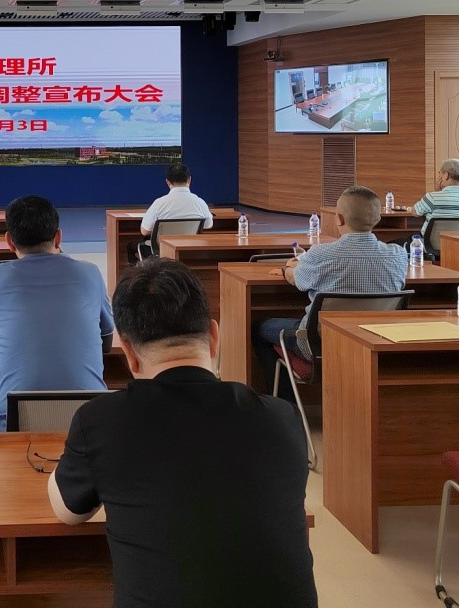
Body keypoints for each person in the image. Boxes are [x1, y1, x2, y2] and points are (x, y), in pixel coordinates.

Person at [49, 258, 317, 608]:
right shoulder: (282, 417)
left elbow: (67, 511)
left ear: (128, 352)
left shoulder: (100, 421)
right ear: (214, 336)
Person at [252, 185, 408, 399]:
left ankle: (286, 405)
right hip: (375, 342)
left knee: (258, 328)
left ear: (339, 219)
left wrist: (287, 268)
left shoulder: (320, 254)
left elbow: (297, 280)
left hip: (319, 345)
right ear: (378, 219)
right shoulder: (398, 255)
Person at [0, 195, 114, 432]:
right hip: (89, 424)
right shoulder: (91, 273)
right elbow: (107, 338)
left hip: (16, 425)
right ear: (58, 237)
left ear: (9, 241)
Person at [135, 161, 213, 259]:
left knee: (132, 246)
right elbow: (208, 225)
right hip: (190, 250)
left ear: (168, 182)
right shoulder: (200, 202)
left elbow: (145, 231)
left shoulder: (160, 203)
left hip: (163, 250)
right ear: (189, 179)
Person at [412, 158, 459, 222]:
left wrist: (436, 193)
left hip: (436, 233)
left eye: (440, 173)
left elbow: (415, 212)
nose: (439, 176)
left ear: (446, 175)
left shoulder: (432, 198)